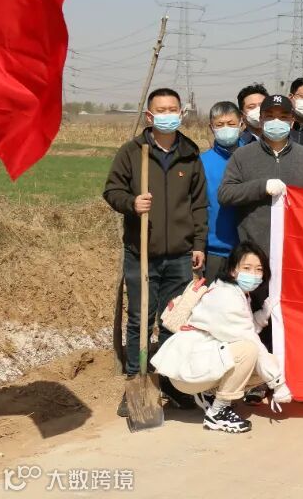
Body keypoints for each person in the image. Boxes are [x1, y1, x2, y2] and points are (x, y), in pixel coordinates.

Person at [103, 88, 208, 416]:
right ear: (149, 116)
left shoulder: (189, 154)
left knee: (172, 321)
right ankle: (136, 381)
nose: (167, 115)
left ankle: (172, 383)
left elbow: (199, 204)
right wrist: (131, 203)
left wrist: (198, 244)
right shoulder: (132, 152)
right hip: (141, 252)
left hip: (179, 253)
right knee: (139, 318)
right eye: (161, 110)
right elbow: (112, 190)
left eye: (172, 109)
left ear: (181, 113)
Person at [150, 241, 291, 433]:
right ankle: (218, 413)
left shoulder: (236, 292)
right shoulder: (227, 297)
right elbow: (249, 339)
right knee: (249, 351)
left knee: (263, 362)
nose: (254, 274)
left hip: (199, 362)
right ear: (233, 270)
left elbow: (241, 328)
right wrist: (278, 384)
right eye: (247, 268)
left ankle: (210, 393)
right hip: (188, 370)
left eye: (259, 269)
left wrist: (263, 314)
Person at [218, 93, 303, 258]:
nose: (276, 121)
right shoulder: (242, 155)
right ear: (261, 120)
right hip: (253, 253)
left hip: (294, 251)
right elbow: (225, 194)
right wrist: (262, 187)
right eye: (270, 116)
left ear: (292, 121)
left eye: (283, 117)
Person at [201, 101, 244, 283]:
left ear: (241, 124)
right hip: (214, 250)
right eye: (220, 124)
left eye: (231, 123)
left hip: (247, 251)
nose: (226, 128)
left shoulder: (252, 157)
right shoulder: (201, 162)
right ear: (211, 127)